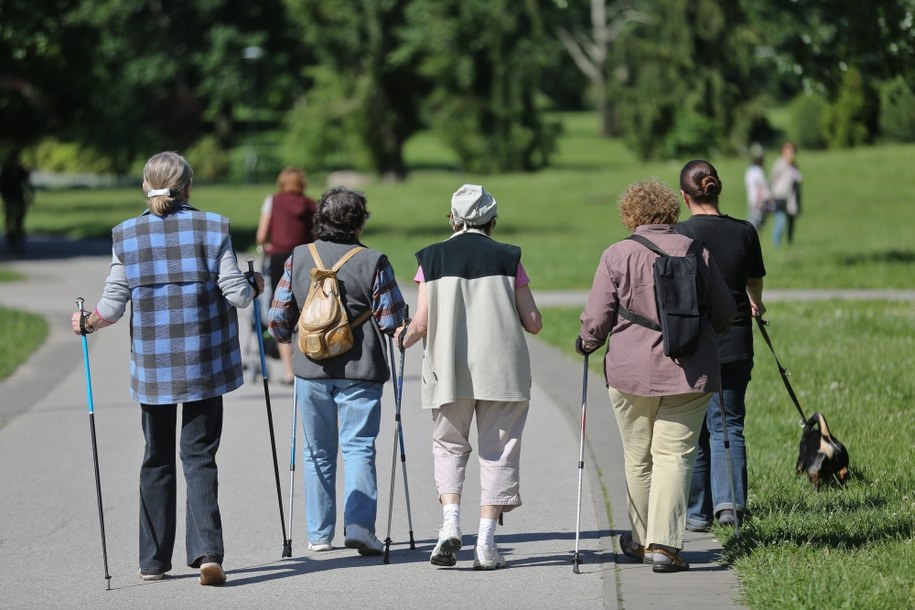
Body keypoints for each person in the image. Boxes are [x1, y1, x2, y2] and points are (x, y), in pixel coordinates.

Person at [70, 151, 264, 586]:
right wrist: (255, 284)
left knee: (155, 458)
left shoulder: (127, 235)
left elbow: (112, 305)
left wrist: (87, 322)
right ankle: (208, 553)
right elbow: (237, 295)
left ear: (146, 188)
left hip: (154, 368)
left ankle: (153, 562)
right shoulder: (214, 227)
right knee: (199, 457)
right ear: (188, 187)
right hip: (204, 364)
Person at [577, 178, 735, 573]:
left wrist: (585, 343)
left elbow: (597, 320)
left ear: (629, 215)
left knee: (638, 456)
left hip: (630, 373)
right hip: (690, 372)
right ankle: (665, 546)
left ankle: (642, 539)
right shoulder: (697, 251)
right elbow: (724, 313)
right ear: (672, 211)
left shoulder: (617, 254)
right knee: (675, 456)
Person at [396, 184, 543, 570]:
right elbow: (533, 322)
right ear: (492, 220)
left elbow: (421, 323)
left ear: (453, 218)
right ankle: (487, 543)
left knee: (448, 446)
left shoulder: (431, 258)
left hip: (447, 368)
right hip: (502, 371)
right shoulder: (509, 257)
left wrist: (402, 336)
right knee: (499, 452)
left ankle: (449, 526)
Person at [267, 186, 408, 556]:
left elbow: (278, 320)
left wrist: (291, 334)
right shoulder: (374, 261)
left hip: (311, 370)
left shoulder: (298, 257)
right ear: (359, 223)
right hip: (362, 369)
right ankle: (360, 527)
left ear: (320, 220)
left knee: (317, 453)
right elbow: (393, 320)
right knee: (359, 447)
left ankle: (319, 534)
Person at [675, 160, 767, 532]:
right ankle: (730, 506)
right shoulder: (745, 231)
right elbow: (754, 282)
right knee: (729, 423)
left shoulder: (678, 234)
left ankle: (698, 511)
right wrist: (756, 301)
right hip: (735, 339)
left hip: (692, 342)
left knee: (696, 429)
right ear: (717, 189)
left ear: (685, 196)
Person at [256, 166, 318, 384]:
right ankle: (308, 362)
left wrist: (268, 245)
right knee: (306, 308)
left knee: (281, 307)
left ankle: (288, 371)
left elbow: (261, 235)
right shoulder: (311, 205)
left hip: (279, 257)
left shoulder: (272, 201)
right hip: (305, 258)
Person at [769, 141, 802, 246]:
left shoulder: (794, 166)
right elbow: (772, 179)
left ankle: (789, 243)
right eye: (788, 151)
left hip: (792, 197)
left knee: (791, 222)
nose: (791, 153)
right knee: (781, 220)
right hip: (780, 197)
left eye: (792, 151)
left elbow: (799, 180)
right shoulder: (779, 164)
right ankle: (776, 244)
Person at [0, 149, 33, 252]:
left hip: (19, 196)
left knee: (20, 215)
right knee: (10, 216)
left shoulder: (20, 170)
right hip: (9, 196)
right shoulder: (6, 170)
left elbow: (26, 182)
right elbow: (2, 184)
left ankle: (18, 232)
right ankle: (11, 234)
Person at [743, 143, 770, 232]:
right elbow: (761, 188)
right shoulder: (758, 171)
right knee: (755, 225)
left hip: (752, 200)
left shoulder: (749, 170)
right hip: (758, 201)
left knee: (753, 223)